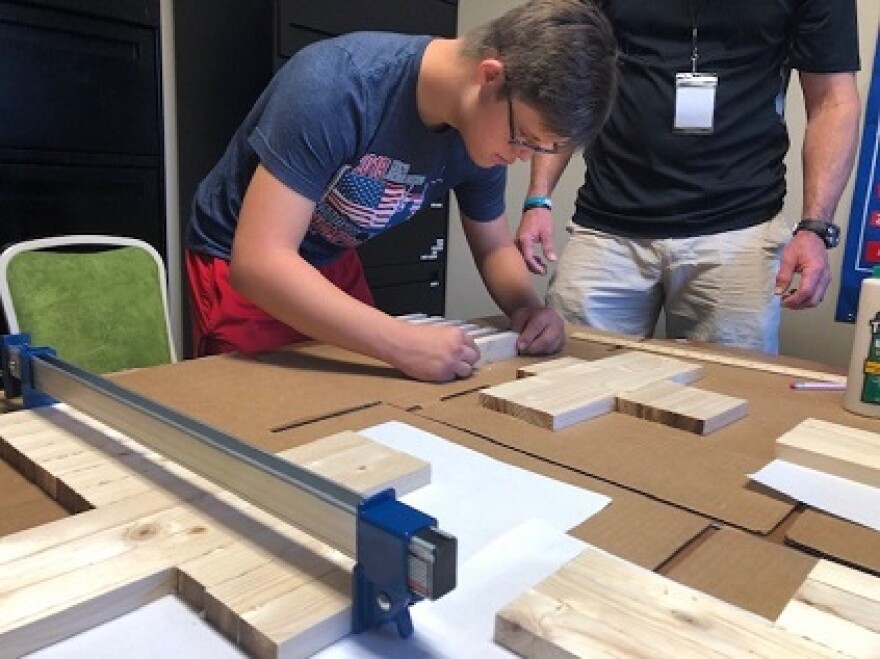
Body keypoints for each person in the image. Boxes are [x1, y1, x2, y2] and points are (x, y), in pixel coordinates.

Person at [184, 0, 618, 382]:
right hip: (240, 258)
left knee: (358, 395)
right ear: (490, 77)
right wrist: (399, 342)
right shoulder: (338, 86)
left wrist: (527, 309)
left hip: (330, 258)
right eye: (523, 138)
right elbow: (259, 262)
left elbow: (492, 247)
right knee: (262, 411)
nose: (524, 156)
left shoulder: (483, 137)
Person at [516, 0, 862, 354]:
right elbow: (566, 76)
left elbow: (832, 100)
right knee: (569, 379)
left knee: (728, 391)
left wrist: (815, 228)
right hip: (608, 221)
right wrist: (538, 197)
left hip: (738, 226)